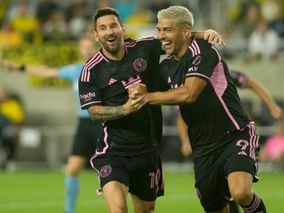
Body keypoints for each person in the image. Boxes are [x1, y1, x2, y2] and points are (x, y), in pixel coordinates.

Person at [78, 7, 224, 213]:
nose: (109, 31)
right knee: (118, 209)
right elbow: (93, 112)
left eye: (113, 26)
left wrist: (202, 33)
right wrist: (124, 109)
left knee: (146, 209)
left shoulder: (144, 48)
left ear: (122, 28)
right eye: (102, 28)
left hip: (148, 150)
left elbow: (175, 37)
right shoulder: (91, 70)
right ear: (96, 35)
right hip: (113, 152)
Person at [130, 6, 267, 213]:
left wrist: (146, 98)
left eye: (167, 30)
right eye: (158, 30)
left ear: (185, 31)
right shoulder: (166, 66)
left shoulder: (204, 50)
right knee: (215, 207)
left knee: (240, 192)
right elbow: (158, 92)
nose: (160, 36)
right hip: (203, 148)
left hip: (234, 134)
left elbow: (189, 94)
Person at [0, 36, 100, 213]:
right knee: (72, 169)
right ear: (80, 50)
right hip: (84, 125)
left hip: (104, 123)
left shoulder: (105, 69)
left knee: (111, 172)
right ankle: (69, 211)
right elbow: (46, 72)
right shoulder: (75, 71)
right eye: (83, 47)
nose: (86, 50)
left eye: (89, 47)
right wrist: (19, 66)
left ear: (96, 48)